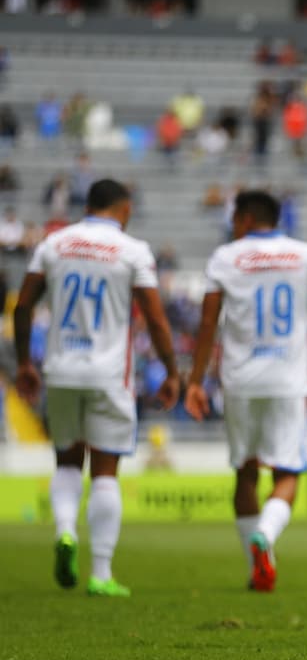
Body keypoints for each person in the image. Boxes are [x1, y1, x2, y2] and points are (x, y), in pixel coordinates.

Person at [184, 190, 307, 592]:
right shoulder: (304, 255)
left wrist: (195, 381)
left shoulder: (225, 258)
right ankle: (266, 533)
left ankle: (256, 563)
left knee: (246, 473)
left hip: (240, 381)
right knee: (288, 472)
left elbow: (208, 325)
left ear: (246, 218)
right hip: (286, 380)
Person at [12, 179, 180, 597]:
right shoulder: (132, 250)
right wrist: (172, 371)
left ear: (87, 205)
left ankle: (66, 532)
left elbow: (23, 305)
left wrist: (24, 364)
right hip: (108, 375)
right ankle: (101, 573)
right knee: (105, 473)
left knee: (67, 463)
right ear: (123, 209)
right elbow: (156, 319)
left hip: (61, 371)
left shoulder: (55, 243)